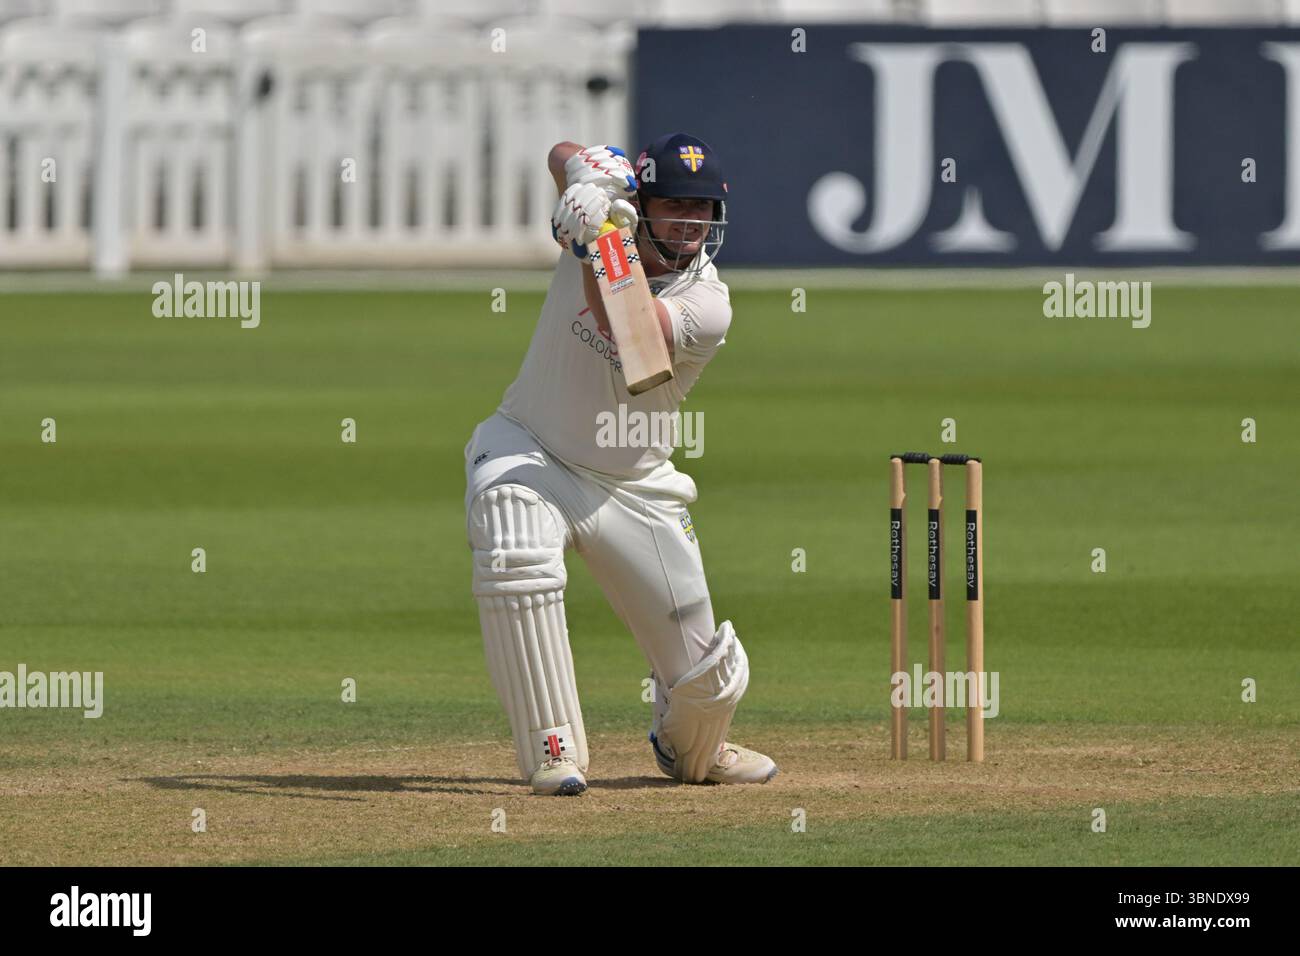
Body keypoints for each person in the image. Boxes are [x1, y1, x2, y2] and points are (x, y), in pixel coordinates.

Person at [463, 132, 776, 795]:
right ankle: (555, 751)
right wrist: (583, 180)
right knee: (515, 545)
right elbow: (560, 150)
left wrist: (596, 237)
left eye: (702, 210)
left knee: (711, 686)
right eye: (674, 206)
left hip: (635, 486)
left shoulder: (708, 305)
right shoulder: (611, 211)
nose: (690, 223)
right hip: (531, 447)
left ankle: (690, 744)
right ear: (647, 202)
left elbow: (629, 336)